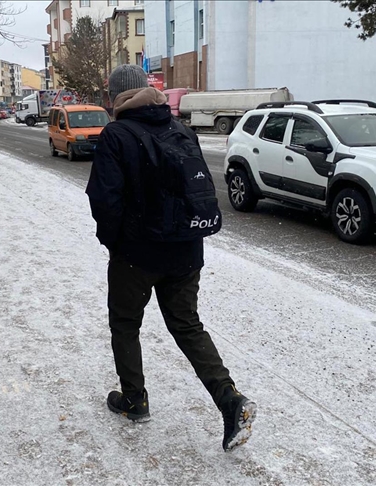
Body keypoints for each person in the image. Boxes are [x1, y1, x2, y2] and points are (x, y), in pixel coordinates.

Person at [86, 65, 256, 451]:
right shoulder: (181, 130)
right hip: (186, 249)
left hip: (136, 254)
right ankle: (230, 400)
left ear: (116, 97)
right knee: (187, 325)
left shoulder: (116, 134)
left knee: (125, 324)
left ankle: (134, 400)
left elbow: (105, 200)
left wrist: (115, 244)